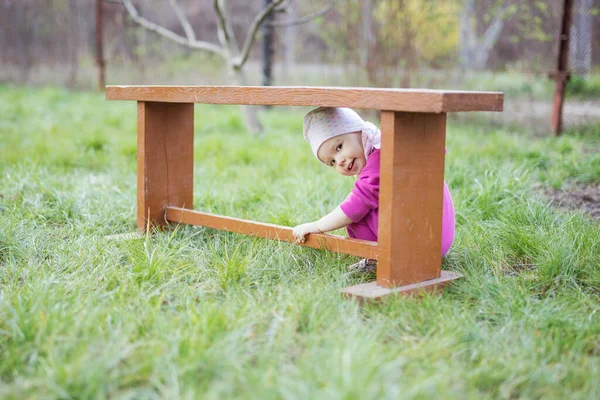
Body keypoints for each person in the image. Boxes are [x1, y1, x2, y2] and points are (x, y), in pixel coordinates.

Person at [292, 107, 455, 271]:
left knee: (357, 218)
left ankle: (380, 257)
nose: (339, 161)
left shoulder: (382, 158)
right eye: (332, 162)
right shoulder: (390, 145)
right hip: (435, 236)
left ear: (360, 132)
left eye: (339, 147)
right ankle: (383, 255)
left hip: (423, 242)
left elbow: (353, 208)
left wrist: (318, 226)